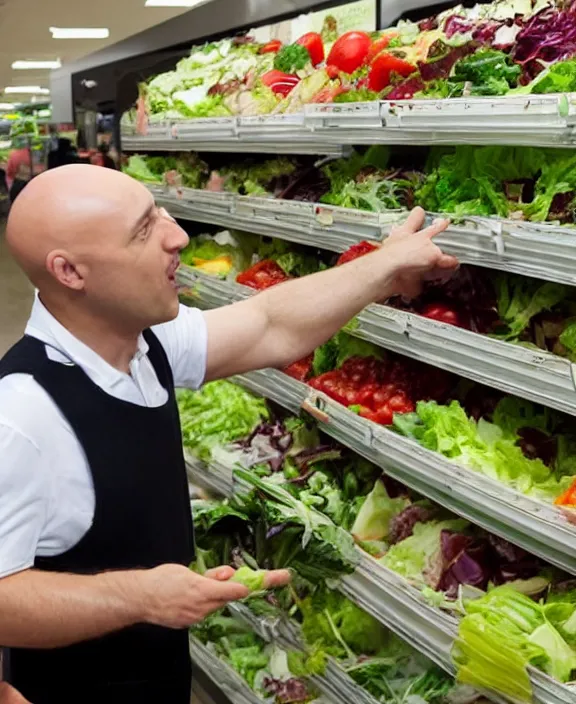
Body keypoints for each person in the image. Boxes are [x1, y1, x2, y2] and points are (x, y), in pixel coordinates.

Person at [0, 164, 457, 704]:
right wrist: (139, 597)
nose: (178, 236)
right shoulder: (23, 415)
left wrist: (386, 263)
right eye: (145, 230)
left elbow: (272, 323)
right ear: (71, 272)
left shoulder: (147, 343)